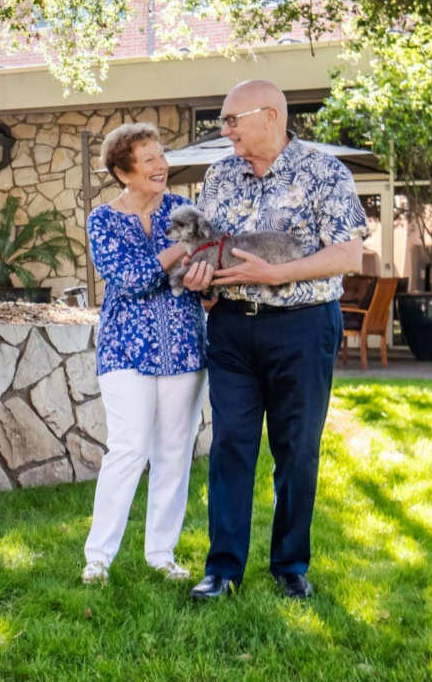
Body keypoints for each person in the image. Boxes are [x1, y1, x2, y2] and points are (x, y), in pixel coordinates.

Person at [180, 80, 367, 601]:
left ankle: (289, 565)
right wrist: (201, 281)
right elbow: (205, 250)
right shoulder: (218, 176)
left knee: (297, 451)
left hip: (303, 328)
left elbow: (348, 256)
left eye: (231, 120)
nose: (225, 130)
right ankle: (222, 569)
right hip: (233, 329)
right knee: (230, 446)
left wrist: (275, 274)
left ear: (269, 116)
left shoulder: (326, 172)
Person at [80, 123, 207, 585]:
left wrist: (201, 269)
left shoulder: (184, 209)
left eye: (162, 156)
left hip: (184, 349)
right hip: (126, 350)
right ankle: (99, 556)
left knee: (174, 451)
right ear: (123, 171)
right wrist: (180, 251)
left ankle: (161, 553)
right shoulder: (103, 220)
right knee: (129, 447)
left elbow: (210, 260)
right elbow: (132, 279)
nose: (161, 166)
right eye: (149, 159)